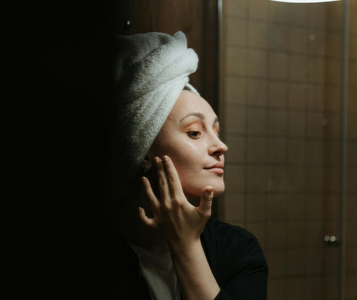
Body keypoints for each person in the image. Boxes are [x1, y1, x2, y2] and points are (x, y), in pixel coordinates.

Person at [107, 31, 268, 300]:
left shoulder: (237, 248)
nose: (221, 146)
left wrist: (186, 244)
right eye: (194, 132)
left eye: (216, 131)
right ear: (142, 149)